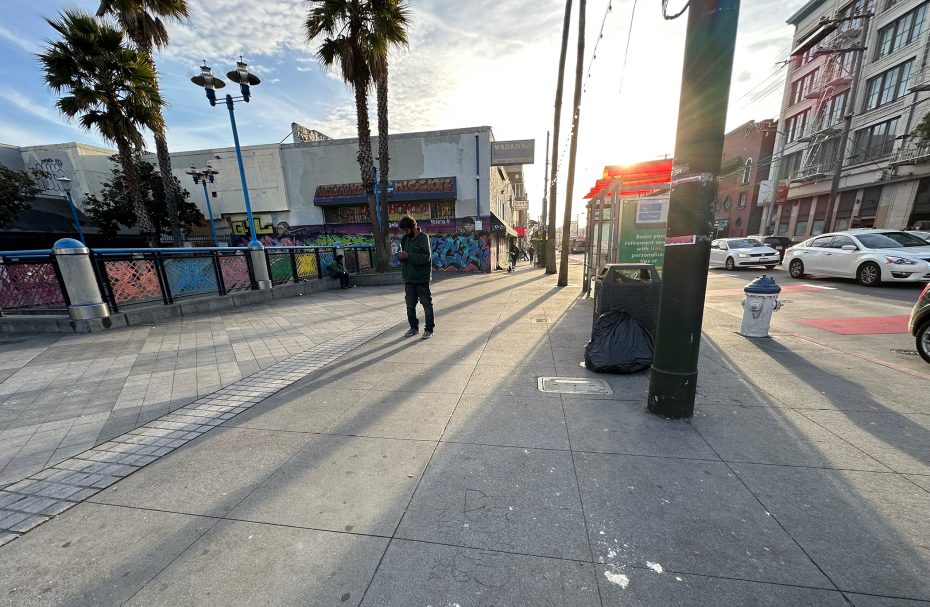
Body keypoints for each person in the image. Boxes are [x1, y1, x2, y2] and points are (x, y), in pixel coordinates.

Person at [398, 216, 435, 339]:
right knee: (410, 306)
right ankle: (413, 328)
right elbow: (404, 257)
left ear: (412, 228)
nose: (404, 233)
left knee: (427, 305)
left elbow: (426, 258)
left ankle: (429, 329)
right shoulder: (405, 239)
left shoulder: (424, 238)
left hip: (421, 279)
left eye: (405, 230)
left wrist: (409, 256)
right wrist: (401, 257)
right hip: (409, 279)